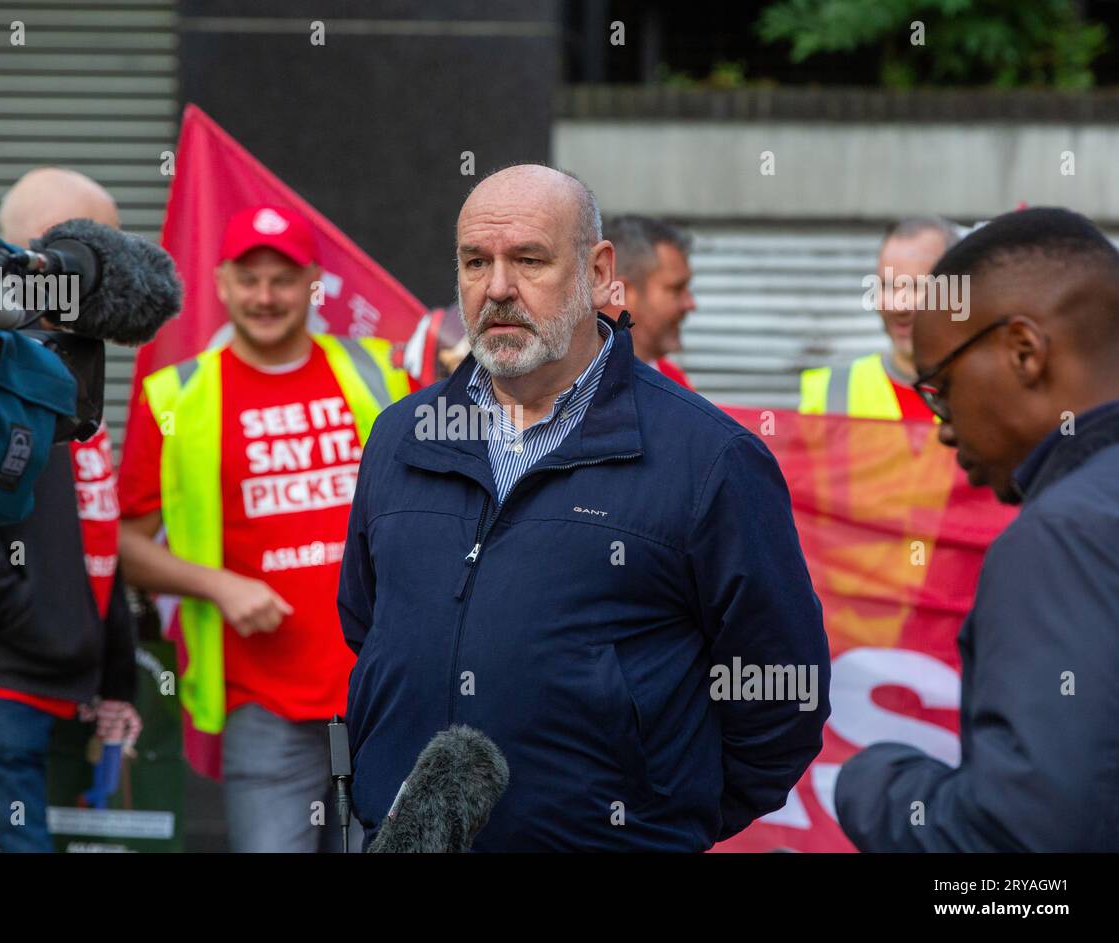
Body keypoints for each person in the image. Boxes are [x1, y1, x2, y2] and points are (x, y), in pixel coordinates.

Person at [338, 164, 829, 852]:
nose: (498, 287)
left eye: (529, 260)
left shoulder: (709, 459)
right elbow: (370, 629)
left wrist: (660, 822)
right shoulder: (399, 437)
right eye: (476, 261)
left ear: (599, 271)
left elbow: (782, 692)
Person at [116, 204, 410, 852]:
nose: (265, 296)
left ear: (314, 285)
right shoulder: (175, 395)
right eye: (248, 279)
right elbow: (124, 543)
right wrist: (218, 584)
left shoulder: (379, 372)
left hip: (380, 693)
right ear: (220, 282)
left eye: (284, 279)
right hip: (264, 706)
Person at [835, 207, 1119, 852]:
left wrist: (878, 786)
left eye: (941, 388)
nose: (943, 426)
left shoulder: (1063, 536)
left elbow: (1021, 858)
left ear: (1025, 352)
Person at [0, 167, 140, 853]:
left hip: (51, 690)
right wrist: (52, 634)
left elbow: (95, 531)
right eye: (92, 252)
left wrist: (112, 674)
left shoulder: (64, 362)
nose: (110, 271)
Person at [800, 217, 961, 419]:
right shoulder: (831, 392)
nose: (897, 305)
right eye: (887, 286)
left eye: (917, 286)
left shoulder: (989, 393)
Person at [601, 215, 696, 388]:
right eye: (676, 289)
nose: (690, 304)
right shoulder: (568, 387)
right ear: (621, 292)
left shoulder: (673, 381)